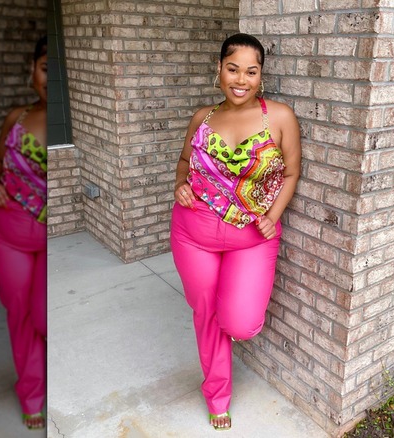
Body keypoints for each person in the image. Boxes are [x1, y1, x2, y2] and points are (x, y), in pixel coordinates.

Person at [170, 33, 301, 431]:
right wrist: (180, 185)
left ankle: (230, 328)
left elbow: (292, 172)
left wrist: (272, 214)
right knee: (206, 315)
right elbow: (183, 161)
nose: (240, 79)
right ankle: (217, 394)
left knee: (240, 323)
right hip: (192, 233)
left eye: (251, 71)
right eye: (232, 68)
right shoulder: (203, 118)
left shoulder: (278, 117)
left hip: (252, 238)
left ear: (260, 75)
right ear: (219, 70)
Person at [0, 35, 47, 430]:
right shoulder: (16, 117)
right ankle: (32, 392)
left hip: (46, 241)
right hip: (5, 232)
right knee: (21, 316)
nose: (50, 79)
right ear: (32, 71)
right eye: (44, 69)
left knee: (42, 316)